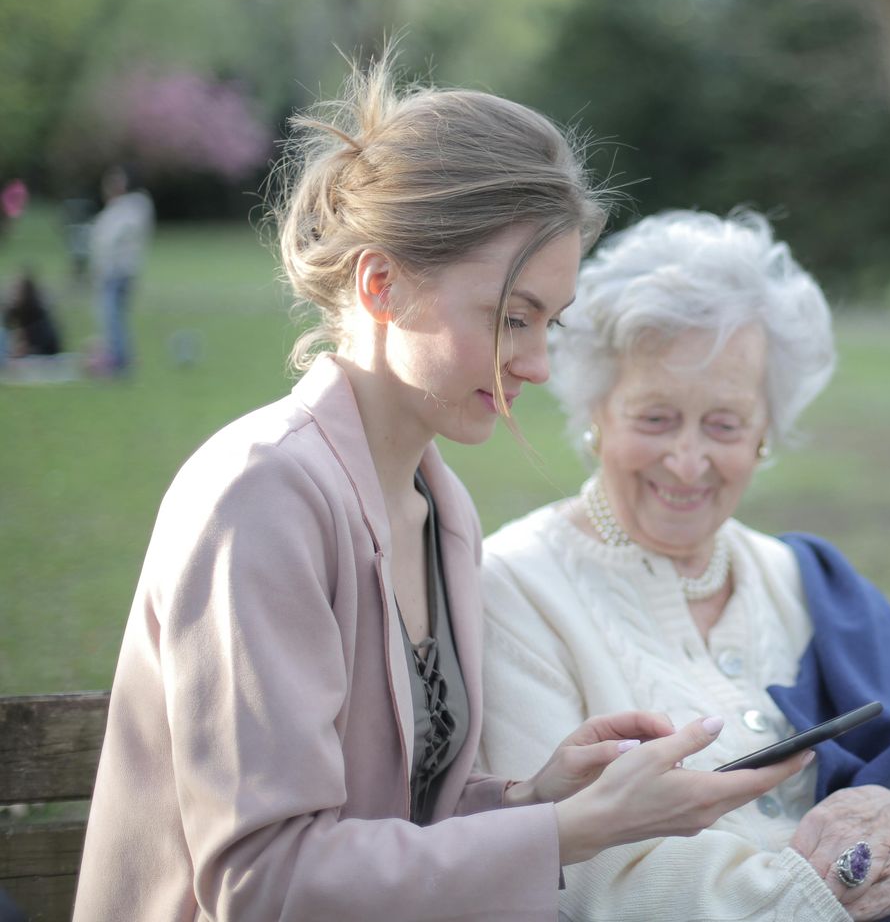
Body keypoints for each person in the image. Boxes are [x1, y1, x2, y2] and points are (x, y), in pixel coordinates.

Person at [74, 64, 807, 921]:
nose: (536, 364)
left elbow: (392, 822)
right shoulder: (260, 495)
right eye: (509, 317)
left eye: (549, 323)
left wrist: (537, 798)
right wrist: (565, 834)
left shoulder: (439, 506)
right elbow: (264, 882)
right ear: (381, 284)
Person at [480, 212, 890, 921]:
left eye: (724, 425)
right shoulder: (515, 587)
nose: (687, 460)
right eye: (654, 418)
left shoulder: (804, 582)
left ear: (765, 434)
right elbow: (585, 877)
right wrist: (822, 891)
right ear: (597, 414)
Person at [88, 163, 154, 374]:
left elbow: (110, 240)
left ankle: (119, 362)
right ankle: (118, 358)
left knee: (112, 318)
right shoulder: (119, 210)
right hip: (114, 272)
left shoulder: (131, 208)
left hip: (118, 273)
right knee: (113, 318)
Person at [2, 270, 63, 357]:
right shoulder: (11, 310)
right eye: (12, 289)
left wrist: (26, 350)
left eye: (16, 289)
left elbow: (48, 344)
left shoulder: (39, 314)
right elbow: (6, 333)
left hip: (44, 356)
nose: (12, 294)